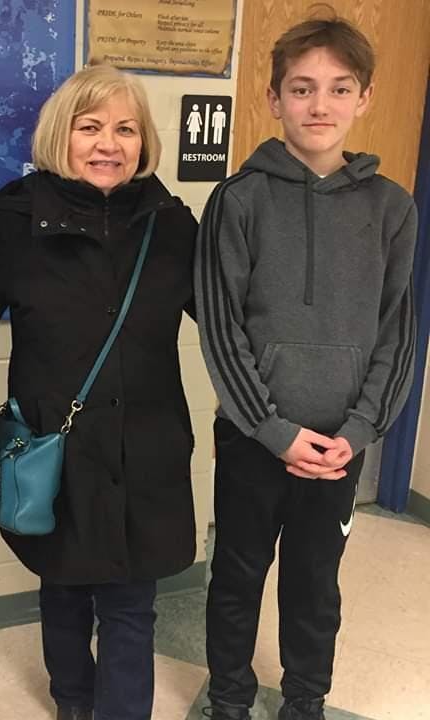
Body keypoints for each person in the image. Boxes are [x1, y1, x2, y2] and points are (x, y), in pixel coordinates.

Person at [195, 12, 417, 720]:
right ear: (274, 99)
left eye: (339, 88)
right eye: (301, 88)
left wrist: (359, 429)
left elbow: (397, 333)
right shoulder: (238, 199)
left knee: (316, 584)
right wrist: (271, 429)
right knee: (236, 576)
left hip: (339, 446)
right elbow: (222, 329)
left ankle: (305, 699)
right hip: (253, 437)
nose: (320, 105)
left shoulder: (393, 208)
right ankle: (229, 698)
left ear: (364, 98)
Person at [0, 63, 199, 720]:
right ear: (61, 135)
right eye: (91, 127)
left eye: (126, 129)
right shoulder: (18, 225)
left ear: (144, 141)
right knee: (65, 590)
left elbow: (235, 322)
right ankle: (72, 702)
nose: (109, 144)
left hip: (145, 449)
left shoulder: (172, 226)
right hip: (57, 449)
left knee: (132, 602)